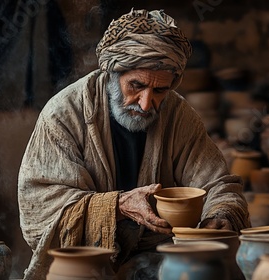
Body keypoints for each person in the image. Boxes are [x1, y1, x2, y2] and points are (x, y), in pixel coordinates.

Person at [18, 9, 250, 280]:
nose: (146, 102)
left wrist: (221, 214)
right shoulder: (64, 114)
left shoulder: (178, 115)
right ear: (111, 73)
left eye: (160, 90)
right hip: (88, 266)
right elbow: (40, 210)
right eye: (136, 85)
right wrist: (118, 205)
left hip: (157, 261)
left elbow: (217, 183)